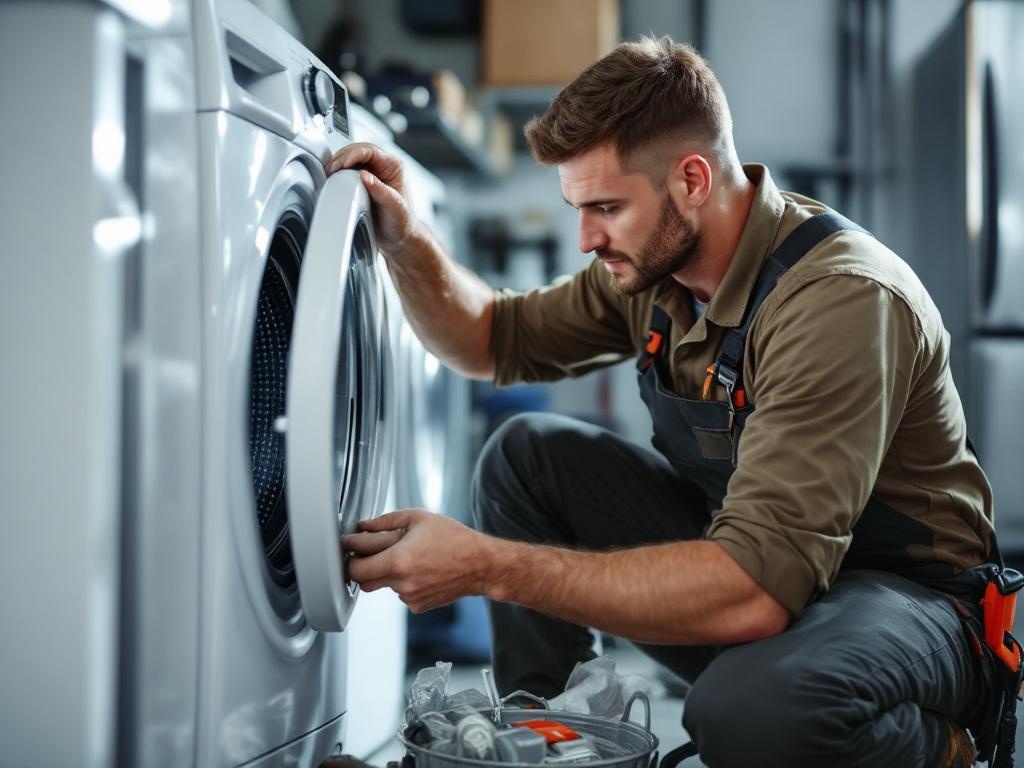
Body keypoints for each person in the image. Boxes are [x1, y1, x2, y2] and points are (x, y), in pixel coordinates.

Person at [330, 36, 1019, 768]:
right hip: (770, 575)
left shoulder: (839, 300)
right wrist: (404, 239)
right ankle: (548, 747)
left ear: (692, 180)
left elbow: (753, 593)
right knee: (525, 458)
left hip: (913, 610)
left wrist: (485, 566)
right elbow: (492, 338)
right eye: (578, 207)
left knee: (748, 716)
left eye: (606, 207)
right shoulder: (656, 272)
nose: (586, 238)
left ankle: (948, 747)